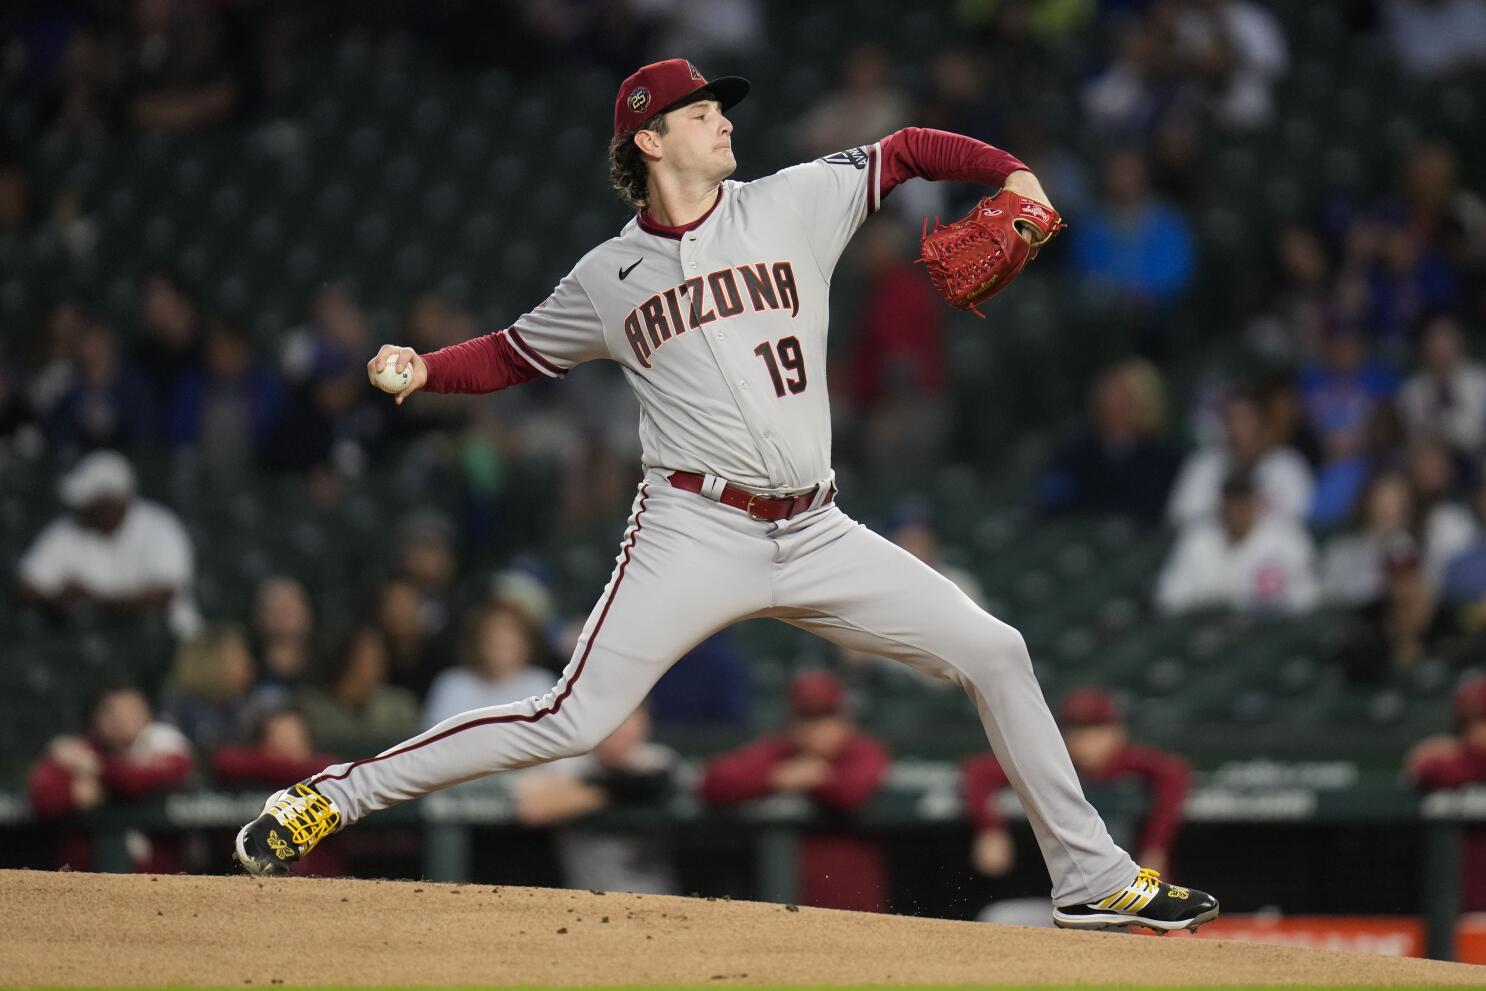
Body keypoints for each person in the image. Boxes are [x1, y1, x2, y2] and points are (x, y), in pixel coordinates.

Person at [235, 57, 1217, 932]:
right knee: (571, 719)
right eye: (702, 112)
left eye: (721, 109)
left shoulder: (794, 199)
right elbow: (510, 354)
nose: (725, 122)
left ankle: (1088, 878)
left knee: (996, 651)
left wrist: (1013, 173)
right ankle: (336, 794)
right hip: (692, 525)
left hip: (818, 524)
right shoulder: (608, 274)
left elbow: (910, 147)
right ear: (648, 138)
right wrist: (424, 369)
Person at [700, 672, 891, 912]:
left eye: (824, 717)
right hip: (782, 897)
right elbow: (714, 782)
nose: (815, 729)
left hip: (851, 896)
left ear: (843, 718)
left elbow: (850, 793)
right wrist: (775, 778)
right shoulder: (780, 753)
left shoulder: (861, 751)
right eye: (806, 718)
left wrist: (817, 778)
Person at [963, 688, 1191, 884]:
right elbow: (979, 771)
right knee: (1003, 916)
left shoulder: (1131, 762)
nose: (1086, 741)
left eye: (1096, 729)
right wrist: (990, 829)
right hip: (1064, 894)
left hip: (1132, 889)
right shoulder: (1053, 761)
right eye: (1077, 730)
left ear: (1117, 732)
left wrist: (1154, 848)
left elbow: (1175, 773)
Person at [15, 450, 201, 637]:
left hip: (165, 642)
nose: (81, 509)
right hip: (88, 642)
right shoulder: (69, 528)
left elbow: (163, 595)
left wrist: (92, 601)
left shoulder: (160, 526)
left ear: (110, 503)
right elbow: (26, 586)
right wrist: (56, 602)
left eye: (90, 502)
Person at [26, 684, 194, 872]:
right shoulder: (79, 749)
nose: (123, 720)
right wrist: (72, 793)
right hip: (87, 882)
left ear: (147, 714)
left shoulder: (162, 744)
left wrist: (95, 769)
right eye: (113, 713)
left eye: (132, 711)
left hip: (162, 883)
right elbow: (43, 797)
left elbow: (133, 782)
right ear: (96, 717)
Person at [514, 706, 679, 894]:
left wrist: (578, 794)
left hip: (654, 896)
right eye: (612, 720)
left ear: (645, 723)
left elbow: (655, 781)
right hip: (586, 896)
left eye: (629, 719)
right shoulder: (569, 764)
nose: (620, 729)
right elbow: (531, 809)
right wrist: (612, 790)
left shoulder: (656, 760)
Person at [1037, 359, 1182, 525]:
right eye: (1107, 391)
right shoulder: (1073, 453)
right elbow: (1051, 500)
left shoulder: (1162, 461)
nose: (1107, 399)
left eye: (1120, 393)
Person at [1155, 470, 1320, 616]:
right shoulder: (1197, 539)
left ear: (1255, 503)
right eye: (1231, 503)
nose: (1236, 512)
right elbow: (1169, 599)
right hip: (1205, 632)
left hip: (1267, 633)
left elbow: (1306, 601)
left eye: (1243, 503)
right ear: (1221, 505)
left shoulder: (1286, 538)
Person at [1167, 389, 1313, 527]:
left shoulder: (1287, 465)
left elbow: (1301, 519)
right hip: (1216, 548)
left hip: (1271, 549)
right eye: (1230, 420)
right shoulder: (1204, 464)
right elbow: (1180, 518)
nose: (1237, 429)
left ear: (1263, 425)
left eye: (1246, 419)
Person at [1405, 675, 1486, 909]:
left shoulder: (1457, 760)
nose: (1478, 731)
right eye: (1470, 723)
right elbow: (1423, 768)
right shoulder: (1450, 765)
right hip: (1463, 911)